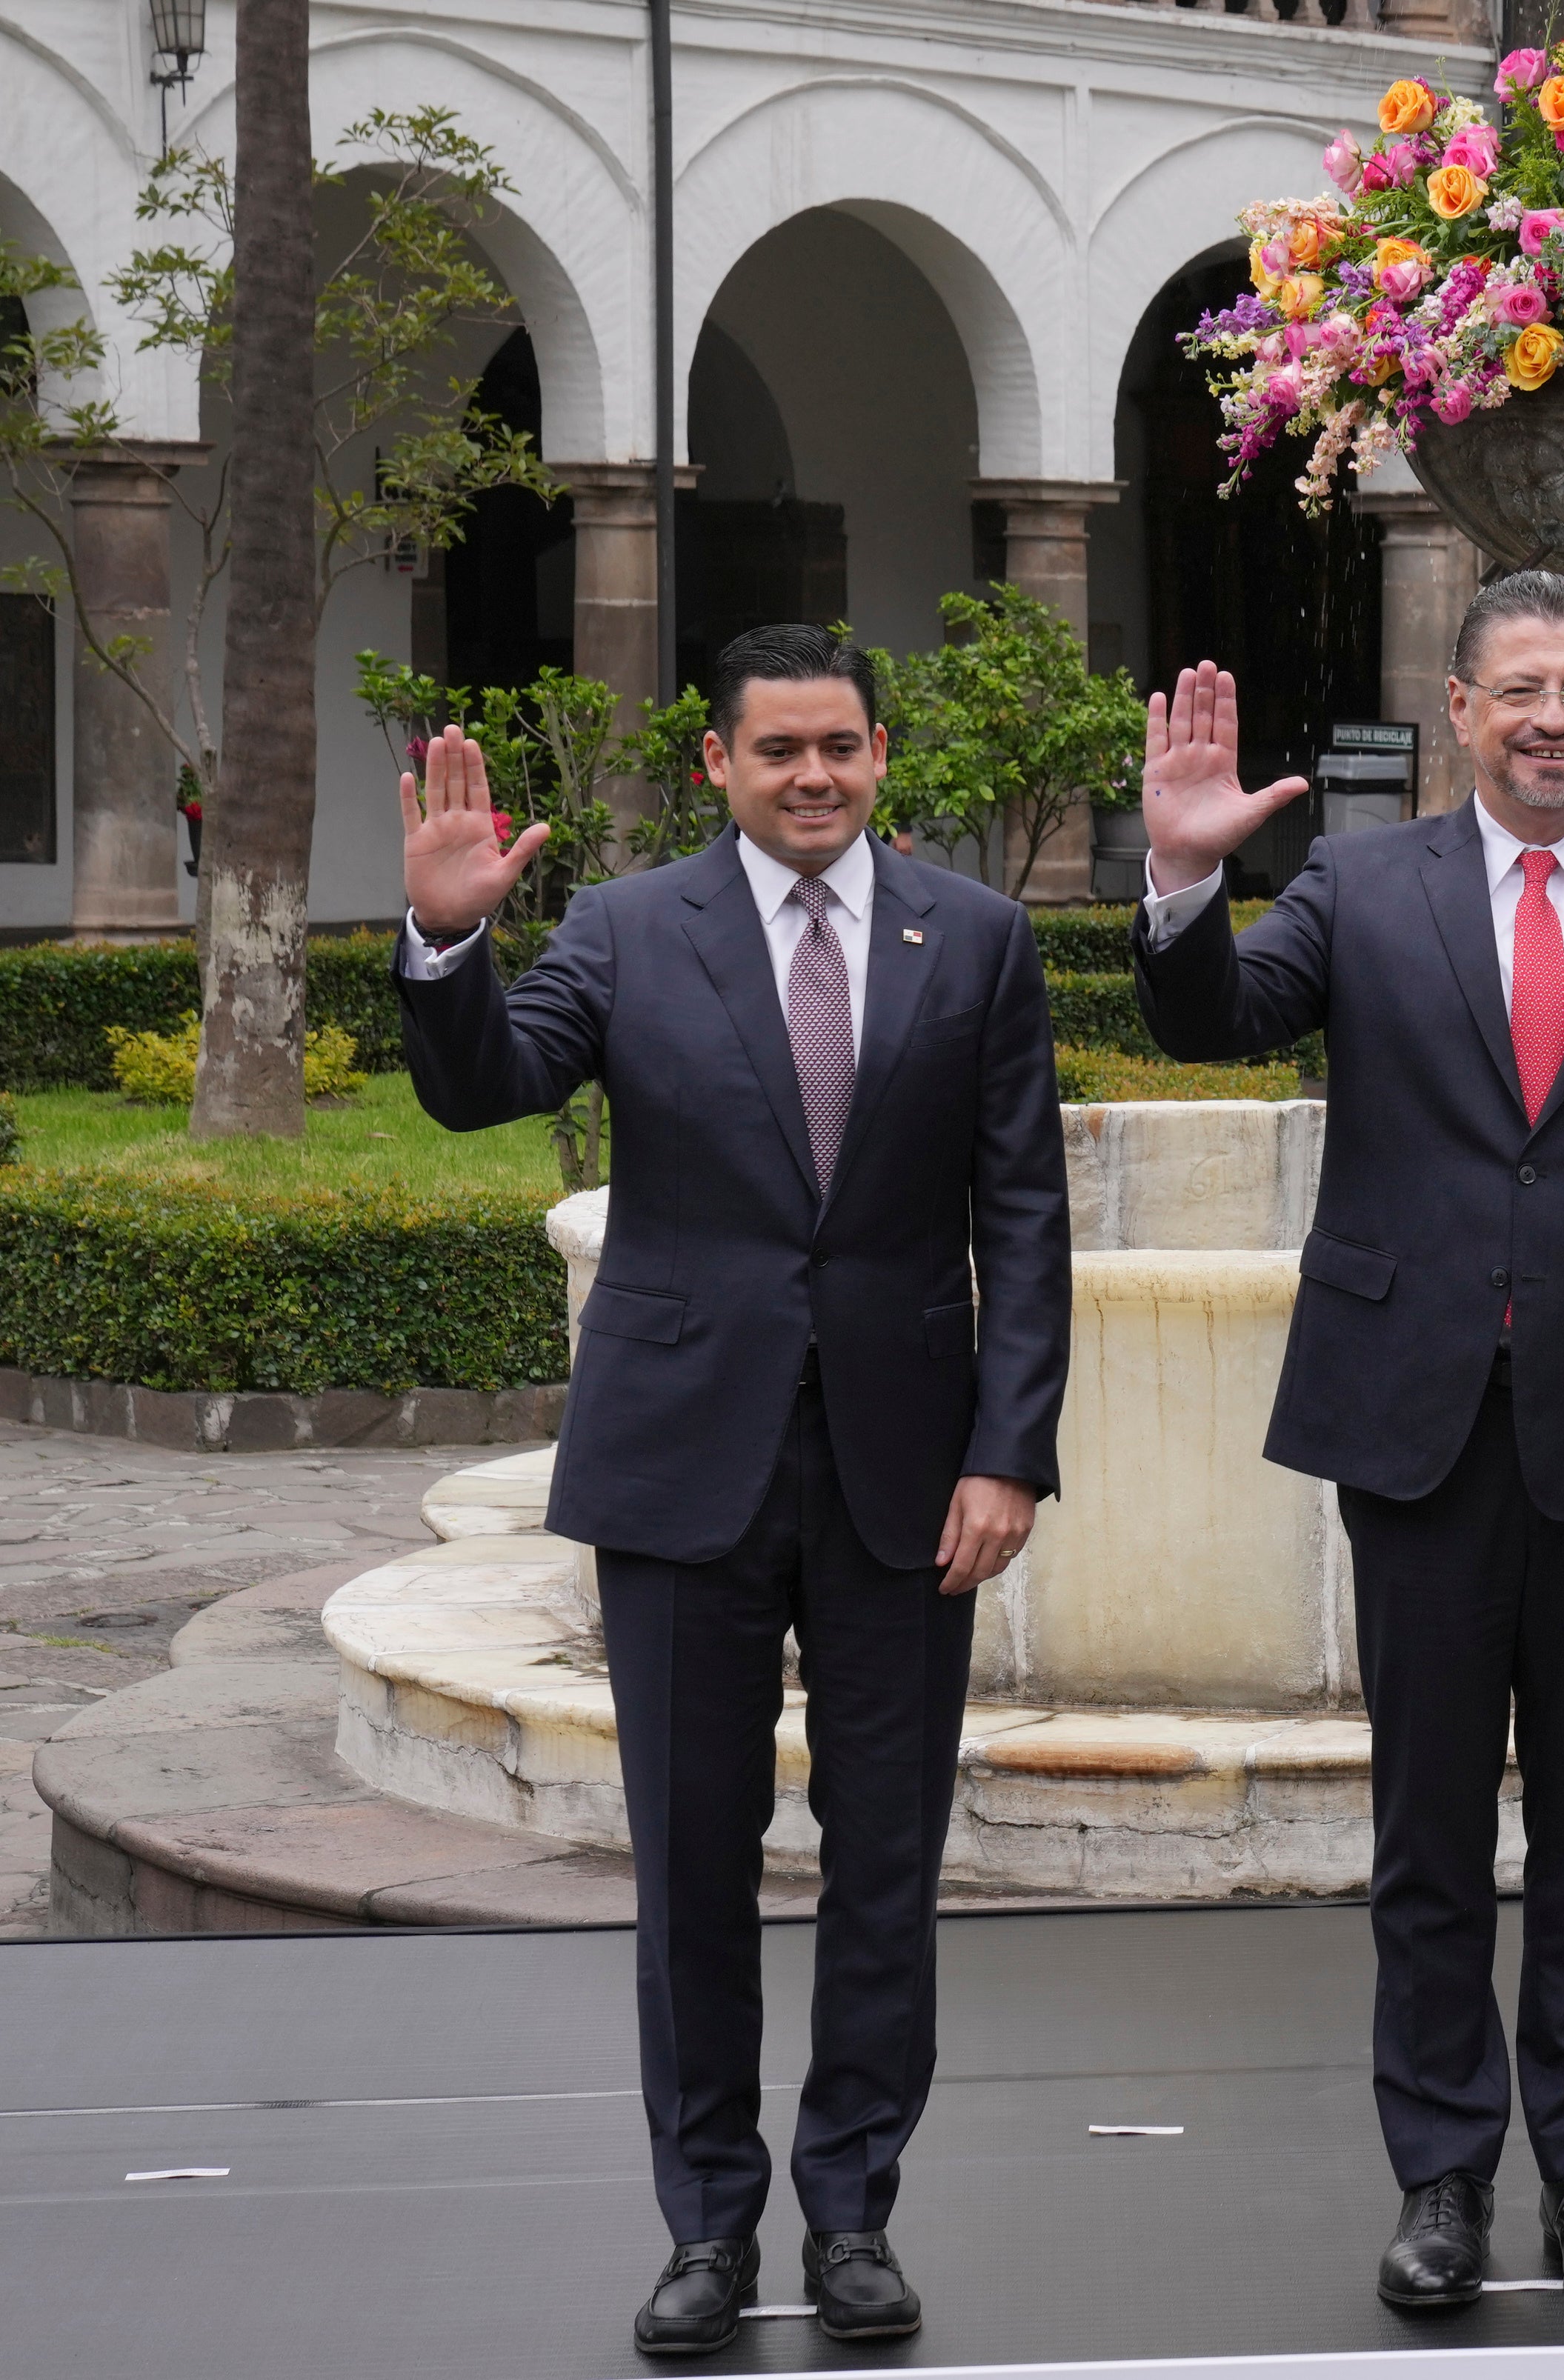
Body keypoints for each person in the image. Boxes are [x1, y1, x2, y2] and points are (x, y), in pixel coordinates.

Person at [390, 624, 1071, 2354]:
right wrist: (450, 940)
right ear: (719, 765)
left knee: (884, 1868)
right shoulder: (627, 930)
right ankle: (706, 2227)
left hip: (906, 1482)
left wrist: (1010, 1451)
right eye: (777, 751)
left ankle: (852, 2217)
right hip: (682, 1469)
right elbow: (484, 1087)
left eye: (839, 746)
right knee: (694, 1871)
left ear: (880, 751)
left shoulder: (974, 940)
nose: (813, 777)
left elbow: (1024, 1217)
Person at [1126, 571, 1564, 2311]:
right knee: (1426, 1835)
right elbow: (1210, 1022)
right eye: (1522, 690)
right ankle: (1437, 2178)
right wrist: (1187, 873)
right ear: (1463, 706)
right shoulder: (1359, 883)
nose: (1554, 718)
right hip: (1412, 1429)